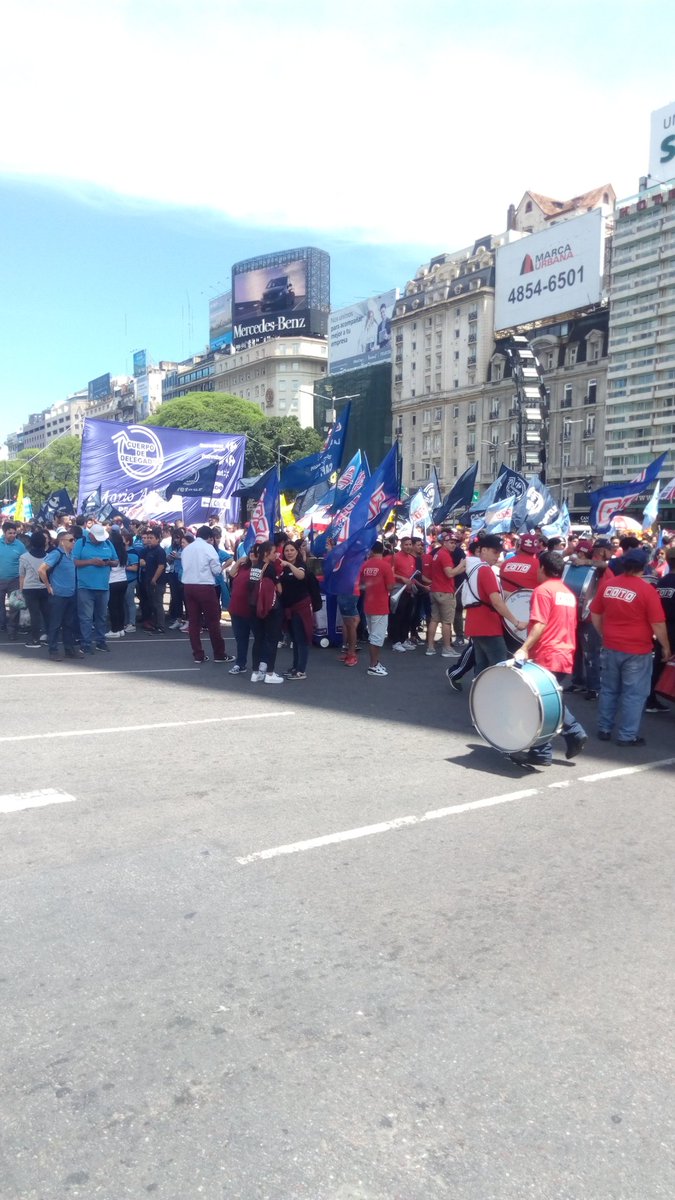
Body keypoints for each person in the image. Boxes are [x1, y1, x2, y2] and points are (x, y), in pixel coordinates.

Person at [512, 551, 587, 766]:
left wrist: (525, 648)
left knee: (538, 703)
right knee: (547, 700)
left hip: (547, 653)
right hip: (565, 652)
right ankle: (569, 735)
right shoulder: (568, 593)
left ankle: (548, 748)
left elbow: (540, 623)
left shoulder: (542, 591)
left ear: (543, 568)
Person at [590, 548, 670, 746]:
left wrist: (603, 633)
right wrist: (666, 646)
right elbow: (658, 624)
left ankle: (604, 727)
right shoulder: (647, 590)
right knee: (634, 694)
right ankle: (627, 735)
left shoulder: (608, 585)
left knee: (609, 689)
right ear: (643, 567)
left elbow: (595, 613)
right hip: (637, 650)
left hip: (611, 645)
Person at [463, 534, 528, 676]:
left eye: (499, 552)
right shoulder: (485, 570)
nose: (498, 556)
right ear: (483, 550)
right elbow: (496, 601)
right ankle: (494, 696)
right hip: (487, 624)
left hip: (475, 622)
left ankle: (479, 694)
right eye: (495, 552)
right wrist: (516, 622)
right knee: (499, 664)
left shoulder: (475, 567)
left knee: (482, 665)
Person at [180, 525, 233, 664]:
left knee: (194, 621)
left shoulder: (187, 549)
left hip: (188, 586)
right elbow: (216, 571)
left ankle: (198, 654)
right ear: (210, 538)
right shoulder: (209, 548)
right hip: (205, 586)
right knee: (213, 621)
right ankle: (219, 654)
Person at [73, 523, 118, 654]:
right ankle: (85, 643)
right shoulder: (81, 543)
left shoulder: (108, 544)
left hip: (103, 586)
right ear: (91, 535)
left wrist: (107, 562)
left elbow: (116, 561)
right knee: (86, 617)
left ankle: (100, 641)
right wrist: (91, 562)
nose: (99, 540)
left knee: (102, 616)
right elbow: (75, 562)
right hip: (85, 586)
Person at [38, 530, 82, 662]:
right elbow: (41, 569)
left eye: (73, 540)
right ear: (62, 542)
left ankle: (69, 650)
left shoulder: (70, 555)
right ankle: (53, 650)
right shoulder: (57, 554)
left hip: (70, 594)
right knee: (55, 624)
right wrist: (48, 586)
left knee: (69, 624)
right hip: (58, 595)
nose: (73, 542)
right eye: (71, 540)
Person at [645, 544, 675, 713]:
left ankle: (650, 699)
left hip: (661, 627)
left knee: (659, 664)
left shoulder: (661, 582)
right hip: (670, 627)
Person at [249, 541, 284, 683]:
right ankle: (270, 673)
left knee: (258, 639)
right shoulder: (270, 568)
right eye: (274, 552)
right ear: (266, 553)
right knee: (272, 639)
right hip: (270, 608)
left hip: (254, 606)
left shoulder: (254, 567)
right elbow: (279, 590)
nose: (276, 554)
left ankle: (255, 672)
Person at [424, 532, 464, 657]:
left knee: (434, 619)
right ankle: (447, 648)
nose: (454, 545)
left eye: (455, 543)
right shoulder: (444, 555)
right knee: (447, 621)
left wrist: (461, 568)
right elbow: (450, 573)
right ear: (444, 543)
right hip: (445, 591)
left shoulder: (437, 554)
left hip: (436, 590)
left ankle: (430, 647)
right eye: (451, 542)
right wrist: (461, 565)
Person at [359, 541, 395, 676]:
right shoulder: (385, 566)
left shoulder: (365, 565)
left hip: (368, 603)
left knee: (373, 635)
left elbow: (362, 583)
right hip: (380, 605)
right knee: (377, 637)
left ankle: (375, 663)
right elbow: (391, 586)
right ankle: (373, 665)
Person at [279, 540, 313, 679]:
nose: (289, 553)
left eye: (292, 550)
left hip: (301, 607)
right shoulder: (282, 568)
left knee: (302, 639)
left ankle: (301, 670)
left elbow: (301, 575)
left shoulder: (300, 565)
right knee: (294, 639)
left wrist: (289, 564)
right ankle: (295, 667)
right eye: (286, 550)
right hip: (289, 608)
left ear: (297, 551)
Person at [226, 547, 257, 674]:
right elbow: (232, 574)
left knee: (259, 639)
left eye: (256, 552)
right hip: (236, 609)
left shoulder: (261, 568)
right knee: (241, 640)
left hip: (252, 610)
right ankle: (240, 664)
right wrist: (238, 562)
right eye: (251, 551)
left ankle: (260, 665)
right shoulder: (243, 567)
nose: (252, 554)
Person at [19, 530, 49, 647]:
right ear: (44, 542)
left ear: (31, 543)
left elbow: (22, 575)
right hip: (45, 588)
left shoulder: (24, 557)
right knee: (47, 613)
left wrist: (21, 591)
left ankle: (35, 639)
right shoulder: (49, 557)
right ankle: (49, 637)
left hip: (29, 588)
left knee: (34, 614)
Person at [390, 535, 419, 652]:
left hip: (409, 591)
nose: (408, 547)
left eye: (410, 544)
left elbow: (412, 575)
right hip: (398, 589)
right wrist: (402, 579)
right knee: (397, 616)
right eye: (406, 544)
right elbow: (391, 573)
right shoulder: (395, 557)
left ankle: (403, 639)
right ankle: (396, 641)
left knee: (407, 616)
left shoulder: (412, 558)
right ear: (401, 545)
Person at [0, 521, 29, 640]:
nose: (12, 535)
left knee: (14, 606)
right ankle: (2, 625)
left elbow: (25, 561)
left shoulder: (19, 545)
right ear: (4, 533)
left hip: (14, 580)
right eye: (10, 533)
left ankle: (12, 630)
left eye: (14, 533)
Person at [141, 528, 167, 633]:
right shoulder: (148, 550)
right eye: (149, 538)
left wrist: (154, 579)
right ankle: (155, 623)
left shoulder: (160, 551)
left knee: (158, 604)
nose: (149, 540)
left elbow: (161, 566)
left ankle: (161, 626)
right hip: (148, 580)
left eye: (152, 538)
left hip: (157, 582)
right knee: (152, 603)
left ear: (158, 539)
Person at [106, 527, 129, 639]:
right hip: (123, 580)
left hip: (112, 581)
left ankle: (115, 629)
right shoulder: (123, 551)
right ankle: (120, 628)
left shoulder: (110, 551)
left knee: (113, 606)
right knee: (120, 605)